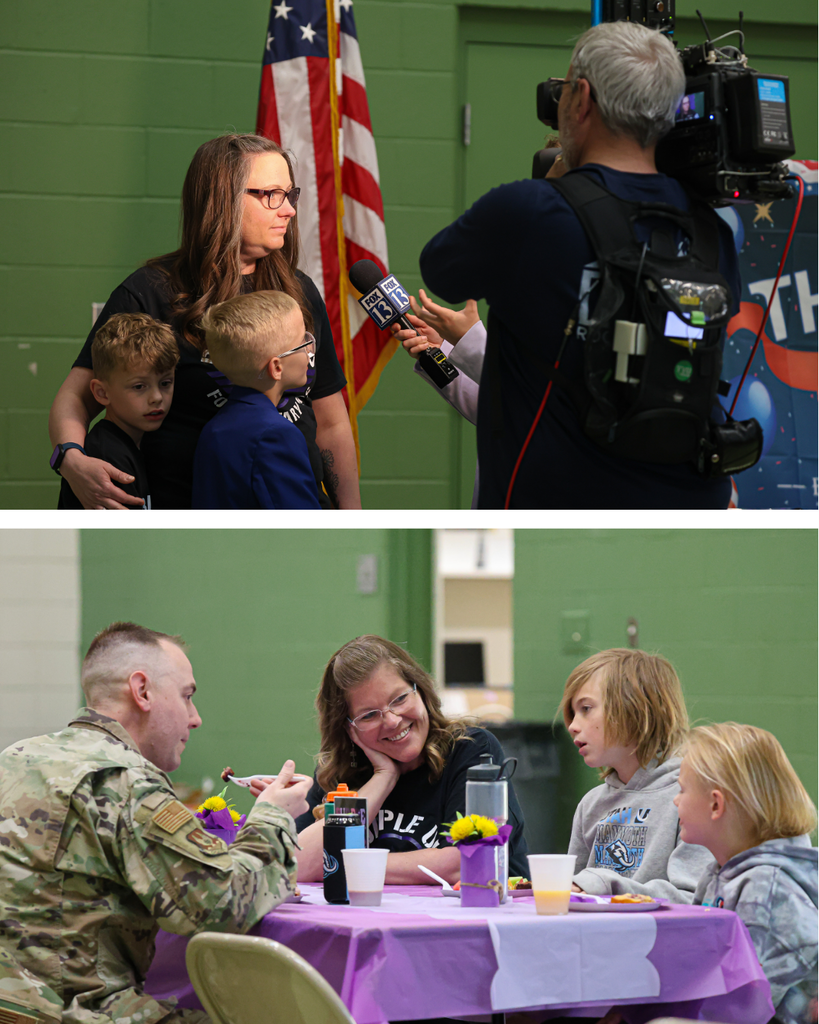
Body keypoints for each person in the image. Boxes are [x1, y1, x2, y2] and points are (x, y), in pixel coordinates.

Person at [419, 22, 741, 509]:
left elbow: (439, 268)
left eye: (564, 88)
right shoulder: (708, 230)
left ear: (581, 99)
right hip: (689, 510)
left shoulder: (532, 210)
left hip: (557, 514)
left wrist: (559, 178)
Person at [0, 621, 312, 1024]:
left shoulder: (16, 758)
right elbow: (222, 906)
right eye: (187, 697)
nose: (195, 718)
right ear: (142, 691)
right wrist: (273, 815)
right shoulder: (123, 781)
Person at [49, 134, 360, 510]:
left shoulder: (299, 291)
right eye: (271, 195)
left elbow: (331, 423)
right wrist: (70, 459)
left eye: (290, 195)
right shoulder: (151, 291)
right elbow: (77, 396)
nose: (289, 211)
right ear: (223, 200)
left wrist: (351, 514)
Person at [251, 635, 528, 884]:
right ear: (348, 728)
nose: (393, 721)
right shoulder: (338, 774)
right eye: (369, 715)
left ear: (420, 689)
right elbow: (294, 864)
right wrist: (383, 777)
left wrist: (348, 863)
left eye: (399, 699)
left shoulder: (470, 750)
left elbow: (468, 862)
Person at [676, 723, 818, 1024]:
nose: (676, 800)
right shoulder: (718, 873)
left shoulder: (766, 888)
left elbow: (744, 1007)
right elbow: (692, 964)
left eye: (682, 790)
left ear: (716, 804)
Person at [561, 648, 714, 901]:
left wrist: (606, 884)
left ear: (635, 710)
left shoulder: (688, 796)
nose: (573, 726)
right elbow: (573, 895)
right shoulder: (591, 804)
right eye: (573, 713)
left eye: (586, 708)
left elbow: (693, 899)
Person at [192, 291, 322, 509]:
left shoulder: (214, 428)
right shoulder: (276, 436)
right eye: (302, 342)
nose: (309, 348)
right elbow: (303, 529)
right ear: (276, 368)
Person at [57, 313, 178, 510]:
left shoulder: (130, 445)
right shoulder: (108, 456)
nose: (157, 397)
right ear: (102, 393)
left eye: (165, 383)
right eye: (139, 386)